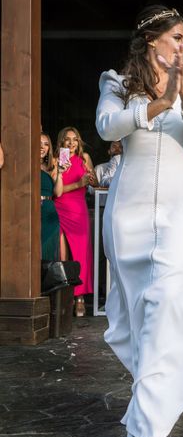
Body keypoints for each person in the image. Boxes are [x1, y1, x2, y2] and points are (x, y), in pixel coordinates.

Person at [95, 5, 183, 437]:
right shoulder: (116, 83)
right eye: (178, 38)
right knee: (135, 316)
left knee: (171, 302)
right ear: (153, 41)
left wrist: (181, 94)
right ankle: (146, 412)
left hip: (181, 208)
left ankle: (151, 424)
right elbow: (106, 124)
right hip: (128, 210)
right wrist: (155, 105)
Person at [53, 126, 96, 316]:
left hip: (78, 210)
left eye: (75, 139)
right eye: (67, 140)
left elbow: (93, 183)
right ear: (61, 143)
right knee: (62, 255)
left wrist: (90, 177)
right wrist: (79, 183)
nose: (71, 143)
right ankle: (66, 296)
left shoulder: (84, 158)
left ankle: (80, 298)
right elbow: (58, 190)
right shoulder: (57, 161)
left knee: (81, 253)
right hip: (60, 208)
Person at [40, 133, 65, 260]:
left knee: (48, 253)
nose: (42, 147)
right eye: (39, 143)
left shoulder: (51, 167)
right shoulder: (26, 165)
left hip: (49, 212)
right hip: (33, 210)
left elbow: (58, 193)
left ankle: (44, 279)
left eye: (45, 144)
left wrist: (60, 173)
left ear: (49, 148)